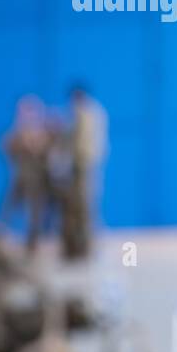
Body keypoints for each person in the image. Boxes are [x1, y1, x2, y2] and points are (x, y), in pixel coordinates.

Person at [0, 96, 57, 252]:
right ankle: (1, 235)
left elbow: (49, 153)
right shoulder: (17, 134)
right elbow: (7, 148)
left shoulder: (44, 133)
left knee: (36, 211)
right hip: (21, 177)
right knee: (9, 206)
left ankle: (34, 241)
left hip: (38, 180)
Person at [60, 84, 109, 260]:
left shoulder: (87, 113)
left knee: (85, 206)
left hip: (85, 164)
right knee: (76, 207)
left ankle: (87, 247)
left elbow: (80, 141)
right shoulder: (87, 112)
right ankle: (78, 248)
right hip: (81, 164)